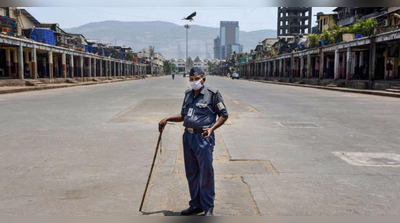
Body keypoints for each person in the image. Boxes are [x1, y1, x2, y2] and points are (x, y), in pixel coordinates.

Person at [158, 67, 229, 216]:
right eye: (191, 79)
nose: (193, 82)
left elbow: (223, 115)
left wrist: (212, 129)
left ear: (203, 79)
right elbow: (184, 116)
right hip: (188, 137)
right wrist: (167, 119)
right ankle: (196, 204)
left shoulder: (213, 94)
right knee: (192, 172)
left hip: (203, 138)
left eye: (196, 79)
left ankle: (208, 206)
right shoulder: (188, 94)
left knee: (206, 173)